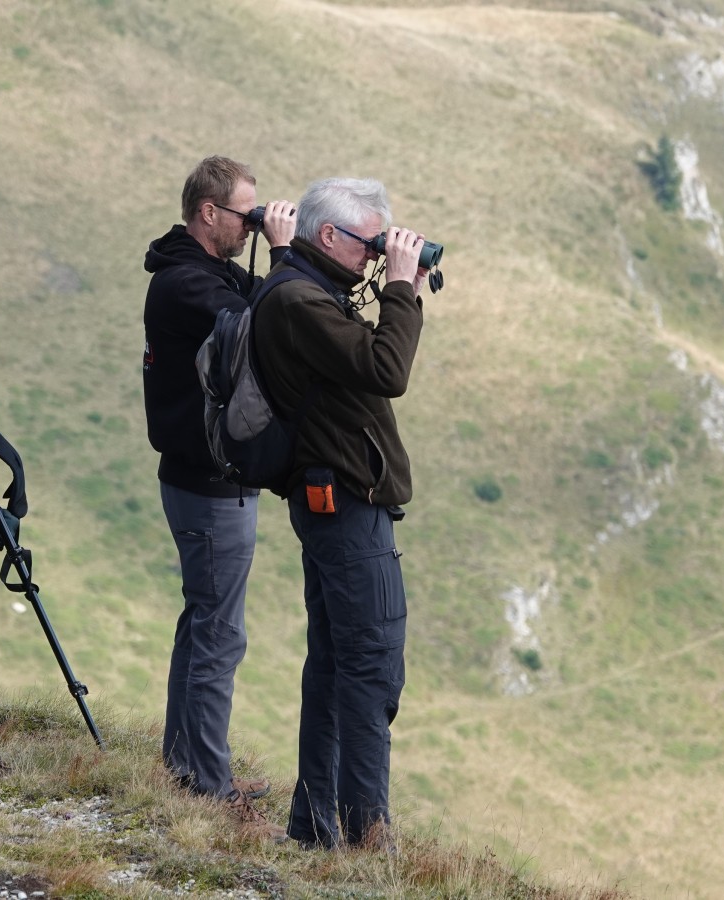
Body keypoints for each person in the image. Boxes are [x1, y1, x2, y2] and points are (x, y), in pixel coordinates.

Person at [251, 176, 429, 850]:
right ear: (328, 236)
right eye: (369, 242)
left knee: (334, 663)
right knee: (371, 665)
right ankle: (363, 834)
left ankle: (314, 826)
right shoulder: (301, 299)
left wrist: (380, 275)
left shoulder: (301, 285)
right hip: (345, 507)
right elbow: (388, 371)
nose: (377, 255)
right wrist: (403, 287)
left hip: (335, 502)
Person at [141, 156, 297, 808]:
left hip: (203, 479)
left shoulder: (203, 272)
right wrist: (284, 253)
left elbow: (256, 299)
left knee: (203, 622)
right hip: (209, 485)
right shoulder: (186, 285)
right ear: (208, 212)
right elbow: (267, 326)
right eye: (244, 215)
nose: (250, 228)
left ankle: (186, 764)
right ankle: (206, 785)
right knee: (219, 634)